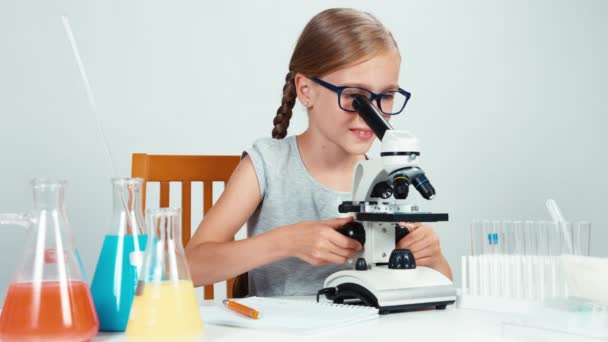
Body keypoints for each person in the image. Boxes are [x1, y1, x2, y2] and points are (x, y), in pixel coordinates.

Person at [185, 8, 452, 297]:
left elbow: (442, 287)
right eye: (354, 97)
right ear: (306, 90)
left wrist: (431, 256)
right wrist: (287, 241)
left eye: (386, 96)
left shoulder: (384, 180)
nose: (372, 114)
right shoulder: (268, 164)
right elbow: (189, 268)